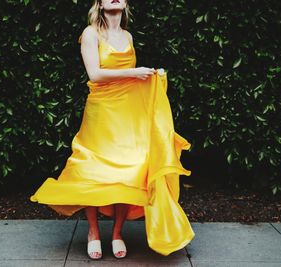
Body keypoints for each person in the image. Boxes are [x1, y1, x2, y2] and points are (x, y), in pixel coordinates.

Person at [30, 0, 195, 260]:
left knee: (129, 168)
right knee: (94, 168)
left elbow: (132, 80)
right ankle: (94, 232)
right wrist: (135, 71)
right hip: (101, 111)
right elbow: (95, 74)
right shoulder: (90, 33)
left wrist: (150, 77)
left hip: (128, 111)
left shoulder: (127, 36)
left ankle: (117, 233)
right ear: (99, 3)